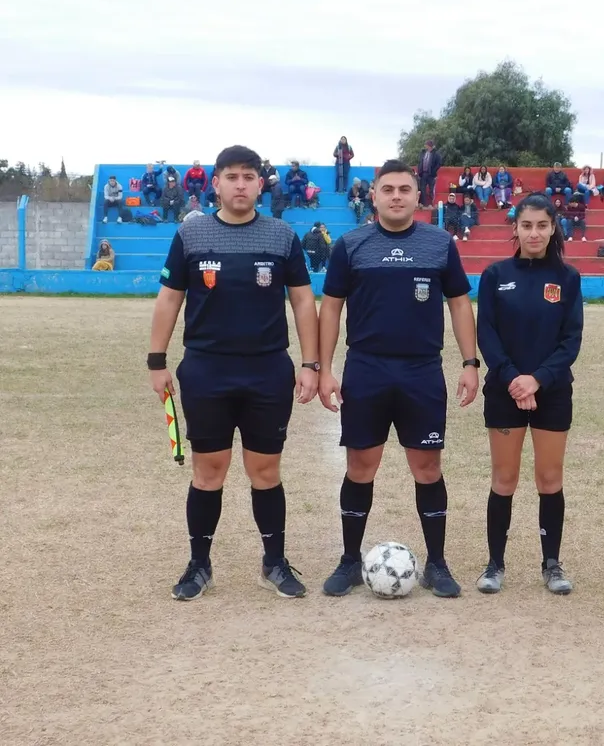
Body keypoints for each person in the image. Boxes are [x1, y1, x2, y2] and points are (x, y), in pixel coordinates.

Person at [148, 144, 320, 602]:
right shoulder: (191, 233)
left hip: (268, 371)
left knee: (265, 470)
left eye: (248, 176)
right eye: (232, 176)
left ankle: (274, 563)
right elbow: (170, 298)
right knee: (209, 471)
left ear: (260, 184)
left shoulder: (281, 235)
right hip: (206, 370)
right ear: (216, 184)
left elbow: (303, 300)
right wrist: (156, 361)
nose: (240, 184)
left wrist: (310, 364)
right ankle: (199, 565)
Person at [317, 159, 480, 599]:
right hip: (366, 369)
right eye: (387, 189)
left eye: (404, 189)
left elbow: (459, 304)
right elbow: (330, 307)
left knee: (427, 467)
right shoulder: (351, 245)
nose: (395, 196)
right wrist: (325, 369)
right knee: (360, 466)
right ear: (373, 196)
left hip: (421, 371)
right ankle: (349, 561)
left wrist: (470, 362)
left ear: (417, 196)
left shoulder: (439, 243)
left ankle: (437, 564)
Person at [474, 194, 583, 595]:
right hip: (505, 391)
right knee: (504, 478)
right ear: (515, 228)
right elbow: (487, 334)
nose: (534, 233)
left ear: (553, 228)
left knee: (549, 478)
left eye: (542, 225)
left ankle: (552, 564)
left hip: (551, 392)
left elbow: (571, 340)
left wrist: (537, 380)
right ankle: (495, 564)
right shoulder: (495, 275)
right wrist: (513, 380)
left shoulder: (567, 278)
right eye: (526, 225)